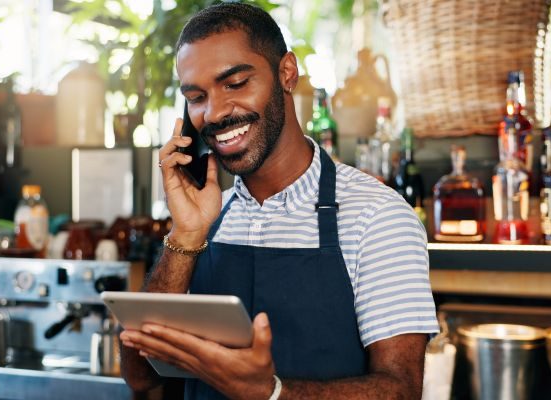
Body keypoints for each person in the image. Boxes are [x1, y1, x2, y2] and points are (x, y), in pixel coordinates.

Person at [119, 3, 439, 399]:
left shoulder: (377, 217)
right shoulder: (203, 220)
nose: (215, 112)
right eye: (197, 96)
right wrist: (185, 235)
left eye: (235, 83)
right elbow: (141, 376)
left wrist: (270, 393)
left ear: (287, 73)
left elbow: (401, 390)